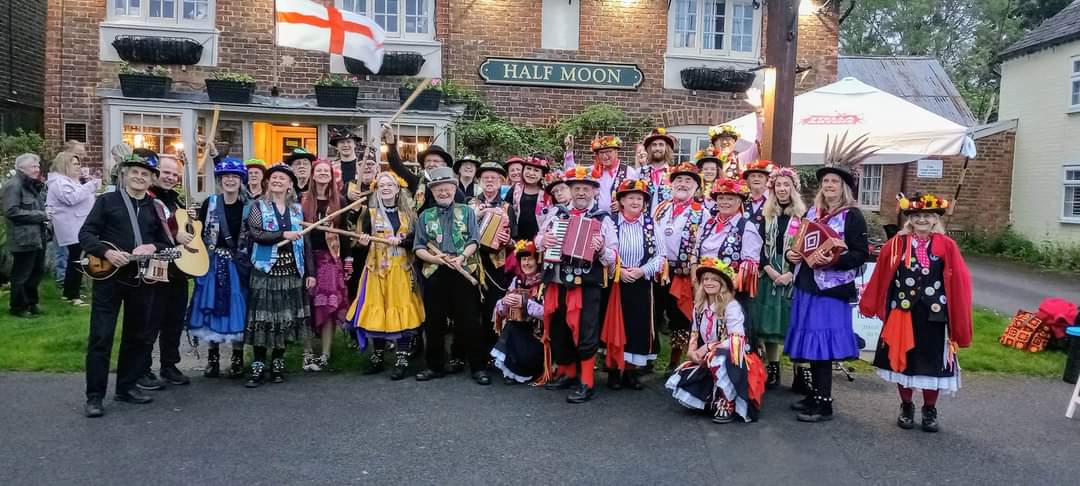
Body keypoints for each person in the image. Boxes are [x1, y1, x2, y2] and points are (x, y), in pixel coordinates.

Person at [860, 192, 973, 433]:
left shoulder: (947, 246)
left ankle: (929, 409)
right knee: (904, 362)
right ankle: (906, 406)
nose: (922, 220)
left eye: (928, 216)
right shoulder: (896, 244)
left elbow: (960, 280)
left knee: (932, 363)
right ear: (910, 219)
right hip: (902, 314)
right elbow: (881, 275)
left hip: (935, 316)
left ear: (935, 219)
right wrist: (872, 304)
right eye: (917, 216)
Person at [784, 138, 874, 423]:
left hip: (832, 290)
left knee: (822, 343)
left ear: (844, 187)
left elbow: (861, 255)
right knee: (811, 341)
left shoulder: (853, 217)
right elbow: (797, 242)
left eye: (835, 181)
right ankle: (814, 395)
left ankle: (825, 403)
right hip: (807, 284)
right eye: (826, 181)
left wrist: (834, 259)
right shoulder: (812, 212)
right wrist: (791, 254)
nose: (829, 185)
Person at [79, 154, 173, 417]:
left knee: (137, 335)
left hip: (140, 279)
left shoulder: (156, 208)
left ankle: (127, 387)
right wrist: (106, 253)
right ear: (124, 175)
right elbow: (85, 234)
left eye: (145, 174)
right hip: (109, 279)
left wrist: (153, 246)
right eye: (135, 173)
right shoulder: (107, 201)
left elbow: (168, 243)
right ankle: (94, 396)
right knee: (101, 336)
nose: (140, 178)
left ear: (151, 179)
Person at [536, 166, 617, 403]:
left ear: (593, 192)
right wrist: (545, 240)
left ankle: (587, 382)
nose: (581, 192)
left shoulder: (602, 220)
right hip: (557, 282)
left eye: (586, 189)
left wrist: (601, 248)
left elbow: (613, 254)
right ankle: (568, 373)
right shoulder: (557, 214)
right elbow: (538, 239)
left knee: (585, 331)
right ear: (570, 191)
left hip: (586, 285)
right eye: (577, 188)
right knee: (560, 327)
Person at [665, 257, 765, 423]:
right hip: (712, 356)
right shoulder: (699, 306)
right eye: (705, 279)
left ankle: (728, 401)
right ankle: (713, 397)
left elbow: (737, 339)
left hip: (736, 359)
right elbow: (695, 332)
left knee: (718, 356)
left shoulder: (731, 306)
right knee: (690, 370)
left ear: (723, 283)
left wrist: (708, 347)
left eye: (714, 279)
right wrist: (692, 351)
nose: (708, 282)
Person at [413, 166, 487, 385]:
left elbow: (475, 240)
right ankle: (434, 366)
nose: (443, 193)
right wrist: (437, 259)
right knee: (434, 322)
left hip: (463, 272)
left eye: (446, 189)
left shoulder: (467, 212)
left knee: (470, 321)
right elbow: (418, 246)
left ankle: (478, 367)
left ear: (454, 190)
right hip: (435, 272)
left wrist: (461, 257)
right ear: (432, 192)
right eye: (438, 190)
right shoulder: (425, 216)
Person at [347, 171, 424, 380]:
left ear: (398, 189)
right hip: (376, 270)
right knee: (378, 311)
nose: (386, 188)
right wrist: (362, 243)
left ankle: (402, 358)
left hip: (401, 269)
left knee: (401, 311)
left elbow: (416, 241)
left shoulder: (408, 214)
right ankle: (378, 356)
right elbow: (356, 244)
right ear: (376, 189)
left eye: (390, 184)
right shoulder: (368, 214)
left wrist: (402, 241)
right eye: (382, 185)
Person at [244, 163, 314, 387]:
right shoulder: (258, 206)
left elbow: (306, 243)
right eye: (273, 177)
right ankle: (257, 365)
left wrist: (310, 273)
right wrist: (283, 234)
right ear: (268, 182)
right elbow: (255, 233)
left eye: (282, 178)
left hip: (291, 272)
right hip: (265, 271)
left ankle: (277, 362)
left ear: (290, 184)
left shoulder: (297, 210)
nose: (277, 180)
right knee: (263, 320)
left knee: (284, 319)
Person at [188, 157, 251, 379]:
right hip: (213, 263)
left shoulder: (248, 207)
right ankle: (212, 358)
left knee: (237, 306)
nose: (230, 180)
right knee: (212, 306)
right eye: (226, 177)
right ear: (220, 180)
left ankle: (237, 357)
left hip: (238, 265)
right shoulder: (210, 203)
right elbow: (198, 232)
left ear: (241, 180)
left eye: (235, 176)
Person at [601, 179, 665, 390]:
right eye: (631, 197)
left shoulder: (651, 223)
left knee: (637, 327)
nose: (636, 201)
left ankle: (631, 371)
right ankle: (613, 370)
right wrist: (618, 270)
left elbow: (660, 256)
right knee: (614, 325)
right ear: (621, 201)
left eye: (639, 198)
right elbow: (605, 251)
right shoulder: (610, 222)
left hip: (641, 282)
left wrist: (641, 271)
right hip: (616, 282)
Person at [751, 166, 807, 390]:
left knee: (795, 325)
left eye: (786, 185)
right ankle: (773, 369)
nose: (782, 189)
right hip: (770, 276)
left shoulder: (804, 217)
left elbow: (806, 247)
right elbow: (759, 247)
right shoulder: (766, 215)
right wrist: (771, 270)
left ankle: (800, 372)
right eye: (778, 185)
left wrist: (791, 274)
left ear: (793, 188)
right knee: (770, 325)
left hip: (794, 278)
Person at [143, 151, 195, 388]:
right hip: (156, 266)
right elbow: (149, 231)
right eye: (166, 172)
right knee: (151, 319)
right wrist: (175, 235)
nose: (171, 177)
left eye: (175, 174)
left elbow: (184, 229)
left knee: (174, 318)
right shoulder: (146, 198)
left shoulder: (175, 199)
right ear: (155, 173)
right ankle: (142, 368)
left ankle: (169, 364)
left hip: (178, 268)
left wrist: (188, 219)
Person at [653, 162, 707, 371]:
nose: (683, 184)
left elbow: (703, 246)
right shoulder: (661, 208)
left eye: (688, 181)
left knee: (680, 318)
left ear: (696, 187)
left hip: (682, 273)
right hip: (658, 271)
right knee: (653, 314)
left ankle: (674, 361)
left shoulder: (702, 213)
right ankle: (648, 357)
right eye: (679, 180)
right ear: (671, 184)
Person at [300, 158, 350, 372]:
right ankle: (307, 352)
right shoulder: (302, 201)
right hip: (305, 258)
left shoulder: (340, 201)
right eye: (318, 171)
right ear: (313, 175)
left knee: (328, 307)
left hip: (330, 260)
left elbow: (345, 234)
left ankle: (326, 353)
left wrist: (347, 260)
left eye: (326, 171)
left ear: (331, 176)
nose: (322, 174)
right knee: (306, 306)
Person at [698, 177, 762, 320]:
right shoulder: (708, 224)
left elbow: (750, 264)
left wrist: (727, 287)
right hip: (706, 287)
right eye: (721, 198)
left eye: (730, 198)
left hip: (731, 292)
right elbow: (696, 253)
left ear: (739, 202)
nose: (724, 202)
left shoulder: (747, 227)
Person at [470, 161, 514, 363]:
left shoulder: (508, 207)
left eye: (494, 178)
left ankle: (491, 355)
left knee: (492, 311)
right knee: (471, 312)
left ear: (501, 182)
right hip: (472, 264)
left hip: (496, 266)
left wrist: (509, 241)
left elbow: (516, 239)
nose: (489, 181)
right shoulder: (469, 204)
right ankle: (469, 355)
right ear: (479, 181)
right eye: (485, 178)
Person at [46, 152, 99, 306]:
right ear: (65, 165)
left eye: (78, 164)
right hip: (72, 226)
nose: (79, 167)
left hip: (78, 224)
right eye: (75, 164)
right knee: (78, 259)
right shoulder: (59, 183)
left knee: (74, 259)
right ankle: (73, 295)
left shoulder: (69, 181)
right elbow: (71, 199)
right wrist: (90, 186)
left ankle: (69, 292)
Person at [491, 240, 547, 384]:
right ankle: (513, 371)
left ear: (538, 261)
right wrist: (504, 302)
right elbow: (500, 310)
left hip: (539, 334)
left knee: (514, 330)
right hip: (519, 330)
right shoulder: (517, 280)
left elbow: (549, 313)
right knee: (511, 326)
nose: (526, 263)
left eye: (530, 259)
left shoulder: (545, 282)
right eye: (523, 259)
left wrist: (526, 304)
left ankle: (531, 368)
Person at [3, 153, 48, 318]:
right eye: (33, 166)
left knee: (37, 271)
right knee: (22, 273)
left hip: (37, 235)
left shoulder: (32, 185)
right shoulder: (14, 185)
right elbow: (11, 211)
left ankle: (31, 303)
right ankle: (18, 306)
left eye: (37, 166)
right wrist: (42, 215)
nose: (37, 169)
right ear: (21, 168)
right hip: (22, 237)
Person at [382, 125, 466, 212]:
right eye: (428, 161)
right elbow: (397, 166)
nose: (431, 164)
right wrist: (390, 143)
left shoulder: (453, 187)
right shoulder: (416, 182)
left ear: (445, 164)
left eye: (436, 161)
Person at [562, 134, 640, 213]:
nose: (605, 156)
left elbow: (637, 197)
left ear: (616, 152)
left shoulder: (629, 172)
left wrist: (624, 204)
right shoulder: (592, 170)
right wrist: (569, 150)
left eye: (608, 152)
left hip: (619, 220)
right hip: (595, 218)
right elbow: (571, 171)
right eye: (601, 153)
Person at [708, 88, 764, 179]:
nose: (725, 142)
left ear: (734, 143)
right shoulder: (707, 162)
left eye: (729, 139)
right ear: (714, 144)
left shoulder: (741, 159)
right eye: (722, 139)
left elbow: (759, 141)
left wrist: (759, 112)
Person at [506, 154, 550, 241]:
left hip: (539, 241)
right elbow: (505, 209)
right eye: (528, 168)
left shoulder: (547, 194)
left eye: (536, 170)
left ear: (542, 175)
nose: (531, 173)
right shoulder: (515, 189)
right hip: (516, 240)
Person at [639, 128, 678, 209]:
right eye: (654, 145)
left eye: (661, 144)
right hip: (643, 220)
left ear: (666, 148)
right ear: (649, 148)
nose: (657, 148)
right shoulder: (638, 172)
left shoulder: (674, 174)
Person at [329, 127, 365, 195]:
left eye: (348, 142)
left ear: (354, 144)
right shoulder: (331, 167)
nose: (345, 145)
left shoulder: (363, 166)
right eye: (342, 142)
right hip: (338, 204)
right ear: (336, 146)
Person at [741, 159, 775, 228]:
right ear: (748, 180)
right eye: (753, 176)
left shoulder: (774, 200)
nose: (756, 179)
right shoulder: (741, 200)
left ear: (767, 180)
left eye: (760, 176)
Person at [693, 149, 723, 214]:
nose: (709, 172)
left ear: (717, 171)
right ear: (700, 171)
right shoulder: (694, 189)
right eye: (705, 169)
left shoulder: (723, 190)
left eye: (712, 169)